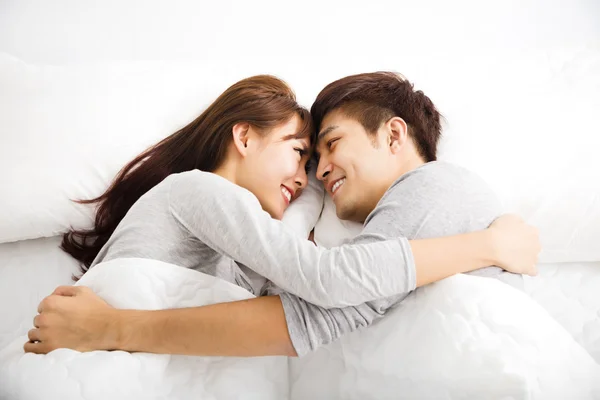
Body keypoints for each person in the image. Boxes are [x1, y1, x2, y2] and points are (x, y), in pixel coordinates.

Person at [25, 72, 540, 357]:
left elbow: (315, 301)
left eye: (326, 149)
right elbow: (321, 288)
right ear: (244, 136)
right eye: (302, 154)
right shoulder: (198, 191)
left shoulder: (435, 186)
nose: (314, 175)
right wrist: (489, 245)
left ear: (395, 134)